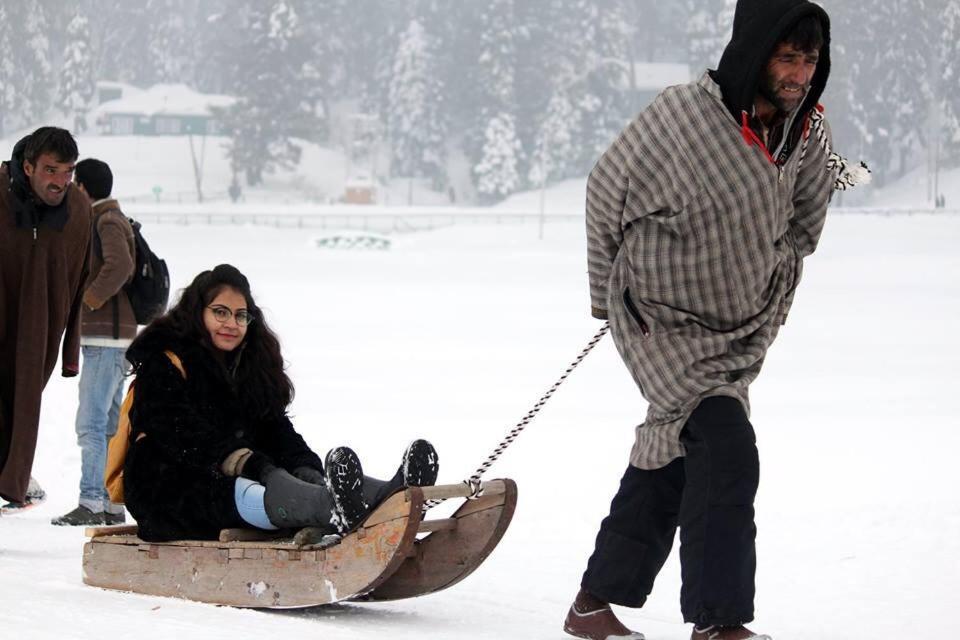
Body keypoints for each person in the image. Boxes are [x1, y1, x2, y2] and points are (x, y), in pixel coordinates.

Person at [565, 2, 857, 639]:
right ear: (753, 50)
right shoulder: (681, 116)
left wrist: (777, 276)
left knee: (678, 452)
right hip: (659, 320)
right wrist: (602, 298)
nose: (800, 74)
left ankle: (593, 605)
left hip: (738, 327)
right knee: (726, 449)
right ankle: (719, 624)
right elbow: (604, 190)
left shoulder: (807, 128)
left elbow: (806, 220)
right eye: (788, 57)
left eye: (810, 61)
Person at [122, 264, 438, 542]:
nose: (231, 323)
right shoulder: (165, 361)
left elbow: (275, 428)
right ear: (197, 312)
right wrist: (249, 463)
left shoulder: (245, 367)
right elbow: (177, 431)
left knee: (297, 477)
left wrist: (307, 468)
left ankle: (393, 496)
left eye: (240, 315)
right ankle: (331, 509)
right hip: (166, 489)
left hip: (237, 475)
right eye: (220, 312)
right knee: (257, 488)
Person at [0, 127, 90, 509]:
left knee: (21, 411)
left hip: (40, 337)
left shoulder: (79, 210)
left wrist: (70, 351)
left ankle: (11, 481)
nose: (60, 182)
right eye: (51, 170)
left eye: (67, 172)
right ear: (28, 165)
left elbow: (80, 279)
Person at [51, 159, 135, 527]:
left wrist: (86, 299)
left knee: (91, 423)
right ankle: (108, 502)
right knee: (107, 426)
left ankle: (91, 501)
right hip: (112, 337)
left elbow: (119, 266)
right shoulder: (108, 218)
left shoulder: (106, 220)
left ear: (83, 188)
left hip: (106, 336)